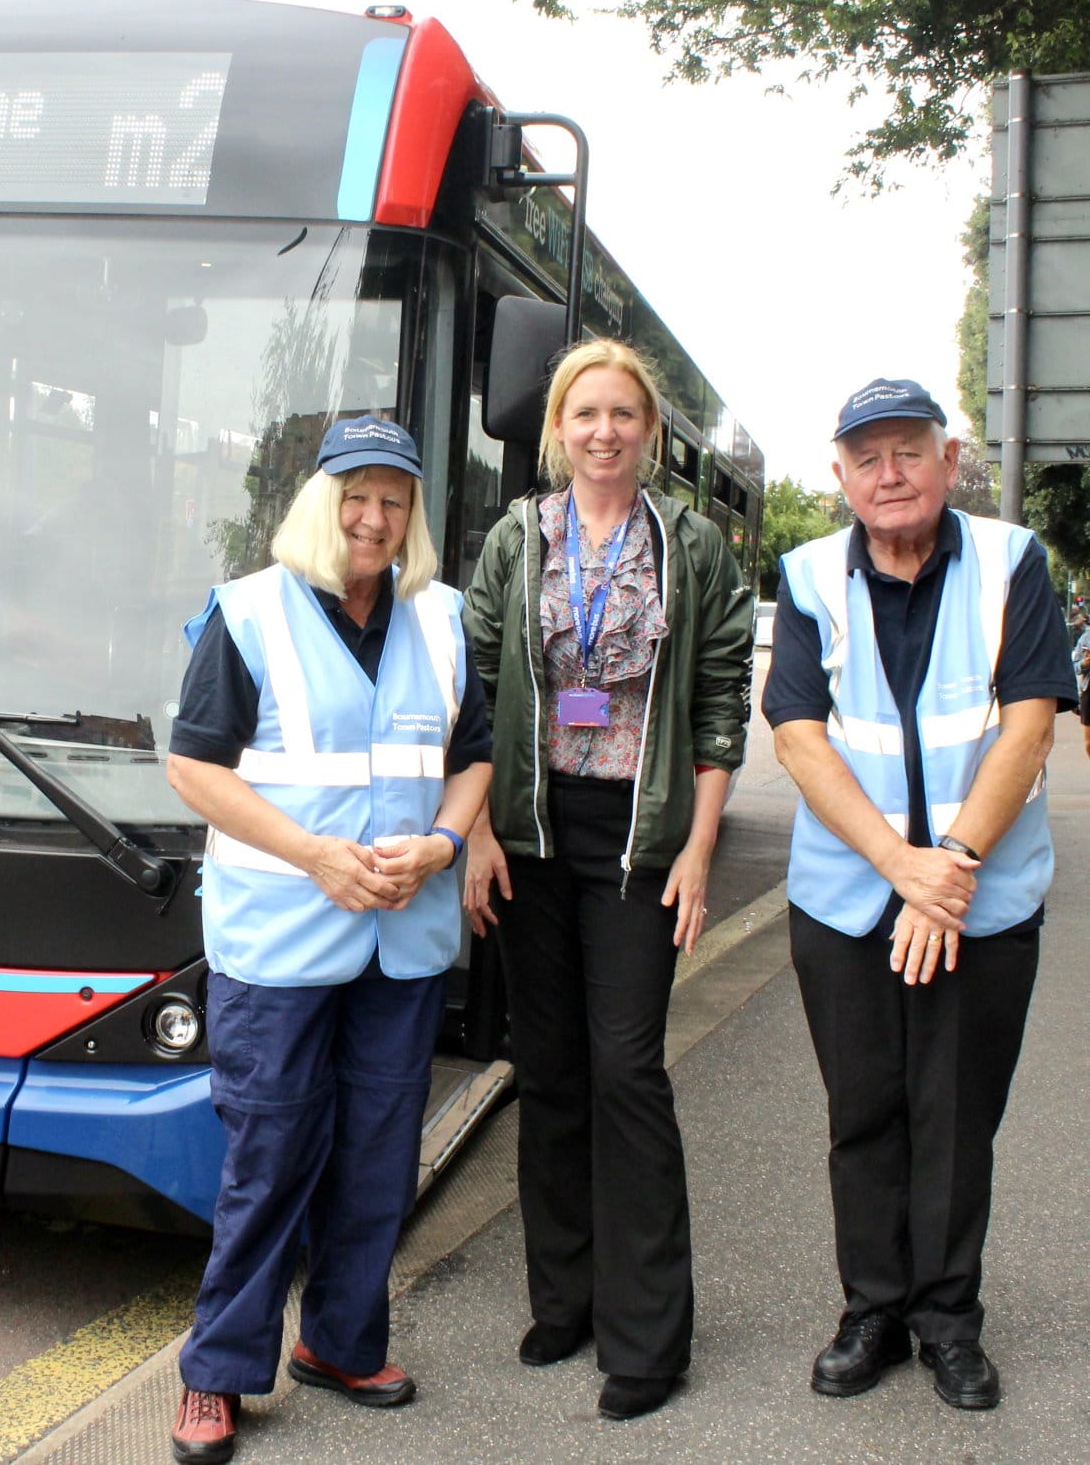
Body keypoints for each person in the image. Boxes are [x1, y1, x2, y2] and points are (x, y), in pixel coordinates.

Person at [165, 415, 492, 1464]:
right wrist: (313, 855)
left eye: (394, 500)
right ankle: (216, 1375)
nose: (373, 516)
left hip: (399, 940)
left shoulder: (440, 619)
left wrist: (444, 843)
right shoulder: (250, 612)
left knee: (376, 1161)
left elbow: (473, 758)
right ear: (320, 502)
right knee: (268, 1158)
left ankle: (342, 1345)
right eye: (355, 494)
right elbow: (194, 769)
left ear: (412, 516)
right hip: (278, 940)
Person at [763, 378, 1075, 1411]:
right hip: (849, 902)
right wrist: (902, 871)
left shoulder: (1007, 562)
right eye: (867, 458)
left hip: (978, 899)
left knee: (953, 1117)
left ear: (946, 462)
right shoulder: (806, 575)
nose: (888, 474)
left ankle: (947, 1322)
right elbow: (798, 738)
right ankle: (871, 1310)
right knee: (863, 1113)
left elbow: (1029, 721)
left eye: (907, 451)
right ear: (840, 476)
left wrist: (945, 869)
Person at [461, 338, 753, 1422]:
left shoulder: (689, 545)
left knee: (626, 1069)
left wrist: (697, 846)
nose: (601, 432)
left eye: (621, 414)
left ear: (648, 431)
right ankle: (563, 1300)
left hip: (639, 833)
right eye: (583, 413)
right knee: (547, 1070)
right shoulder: (514, 539)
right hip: (530, 831)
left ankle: (645, 1336)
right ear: (558, 429)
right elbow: (479, 688)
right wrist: (478, 832)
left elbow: (720, 698)